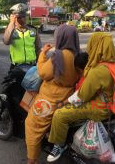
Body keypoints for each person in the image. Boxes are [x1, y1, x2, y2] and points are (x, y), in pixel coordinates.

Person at [47, 32, 115, 162]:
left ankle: (59, 145)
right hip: (111, 105)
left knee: (59, 115)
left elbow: (82, 96)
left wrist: (62, 104)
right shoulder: (113, 65)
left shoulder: (98, 70)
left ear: (95, 46)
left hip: (98, 108)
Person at [25, 24, 80, 164]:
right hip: (67, 98)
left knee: (32, 126)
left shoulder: (58, 56)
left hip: (49, 100)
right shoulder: (79, 56)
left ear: (60, 37)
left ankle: (32, 160)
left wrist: (43, 54)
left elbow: (43, 73)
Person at [3, 3, 42, 69]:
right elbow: (6, 41)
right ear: (14, 18)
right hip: (16, 67)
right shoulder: (11, 30)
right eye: (19, 17)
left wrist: (40, 64)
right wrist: (11, 23)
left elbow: (38, 49)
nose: (22, 19)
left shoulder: (33, 30)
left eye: (24, 16)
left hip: (32, 66)